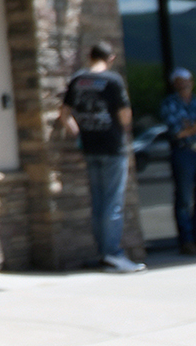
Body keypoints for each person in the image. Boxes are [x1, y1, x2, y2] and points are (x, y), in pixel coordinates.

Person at [59, 40, 145, 273]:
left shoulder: (78, 80)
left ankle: (104, 252)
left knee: (98, 203)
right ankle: (112, 254)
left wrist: (79, 133)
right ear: (111, 58)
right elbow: (125, 115)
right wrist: (121, 128)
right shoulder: (112, 80)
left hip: (90, 147)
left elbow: (64, 115)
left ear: (89, 57)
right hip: (112, 147)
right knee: (112, 204)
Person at [160, 66, 196, 255]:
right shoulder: (169, 103)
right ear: (174, 84)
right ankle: (187, 240)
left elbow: (186, 129)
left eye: (186, 80)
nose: (184, 84)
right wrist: (189, 129)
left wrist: (188, 128)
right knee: (183, 198)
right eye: (179, 81)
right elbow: (177, 132)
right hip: (183, 153)